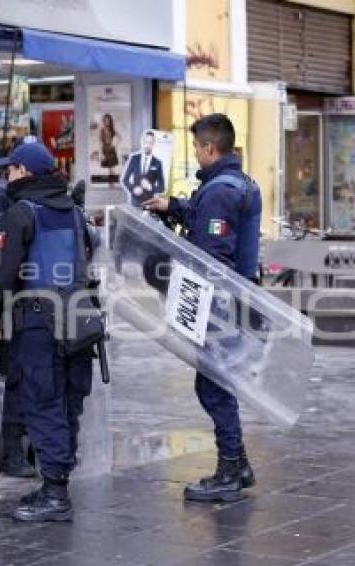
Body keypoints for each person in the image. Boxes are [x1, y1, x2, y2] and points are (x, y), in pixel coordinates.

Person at [144, 113, 261, 503]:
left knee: (213, 384)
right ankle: (238, 463)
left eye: (196, 147)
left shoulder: (218, 192)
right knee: (216, 381)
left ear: (210, 148)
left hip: (214, 303)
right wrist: (173, 206)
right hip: (233, 301)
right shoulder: (237, 183)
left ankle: (229, 469)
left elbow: (212, 258)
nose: (194, 153)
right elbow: (208, 223)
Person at [0, 142, 95, 522]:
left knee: (42, 401)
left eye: (12, 169)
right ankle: (57, 478)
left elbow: (2, 276)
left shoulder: (21, 212)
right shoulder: (75, 212)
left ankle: (54, 494)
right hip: (80, 320)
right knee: (68, 402)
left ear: (25, 173)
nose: (8, 176)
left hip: (38, 322)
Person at [0, 165, 36, 479]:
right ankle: (12, 452)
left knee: (26, 379)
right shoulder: (0, 200)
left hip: (26, 304)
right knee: (12, 380)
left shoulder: (29, 202)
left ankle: (24, 449)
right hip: (8, 305)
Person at [121, 131, 165, 205]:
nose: (147, 145)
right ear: (142, 142)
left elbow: (162, 187)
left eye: (150, 143)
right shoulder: (134, 158)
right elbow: (125, 179)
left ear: (154, 144)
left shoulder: (158, 162)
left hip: (150, 203)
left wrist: (151, 187)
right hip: (135, 202)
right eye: (146, 142)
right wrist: (133, 189)